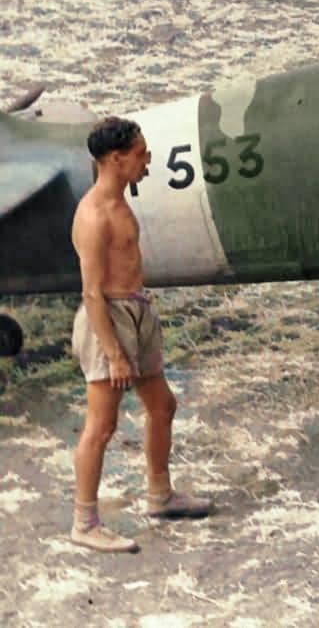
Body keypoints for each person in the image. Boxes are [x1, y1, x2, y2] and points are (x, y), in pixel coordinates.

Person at [69, 117, 212, 553]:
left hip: (136, 311)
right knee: (102, 426)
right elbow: (91, 293)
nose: (148, 160)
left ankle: (159, 496)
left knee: (163, 405)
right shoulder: (93, 216)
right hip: (106, 321)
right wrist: (113, 353)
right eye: (141, 153)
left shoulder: (120, 199)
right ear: (116, 160)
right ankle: (84, 523)